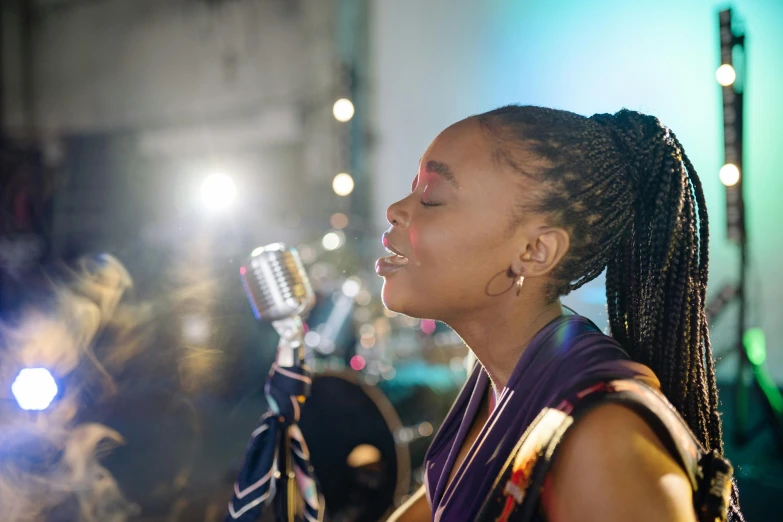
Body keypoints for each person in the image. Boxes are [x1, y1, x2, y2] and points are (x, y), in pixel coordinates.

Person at [376, 105, 743, 522]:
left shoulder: (604, 444)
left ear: (535, 251)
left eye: (432, 198)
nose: (396, 209)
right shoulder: (497, 383)